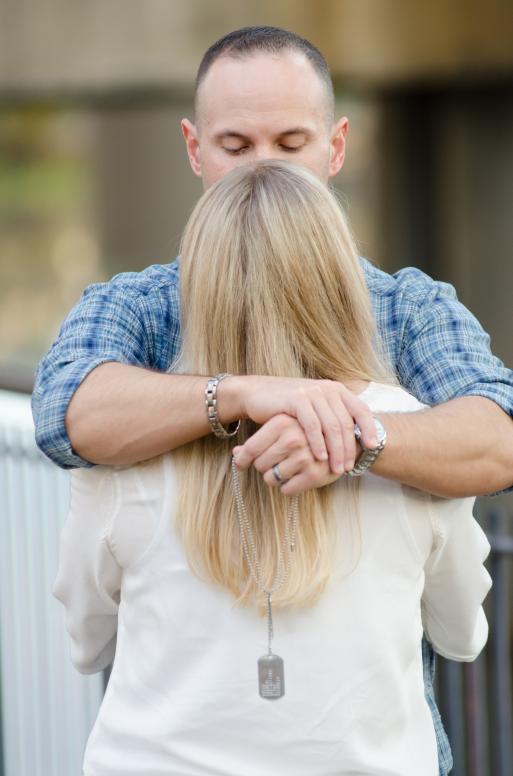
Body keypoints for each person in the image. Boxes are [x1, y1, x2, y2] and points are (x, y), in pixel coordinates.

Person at [34, 25, 512, 774]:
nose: (265, 167)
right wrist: (243, 393)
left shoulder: (408, 308)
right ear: (194, 150)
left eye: (290, 143)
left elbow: (497, 436)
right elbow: (63, 412)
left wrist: (351, 436)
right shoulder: (137, 305)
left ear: (336, 146)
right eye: (236, 145)